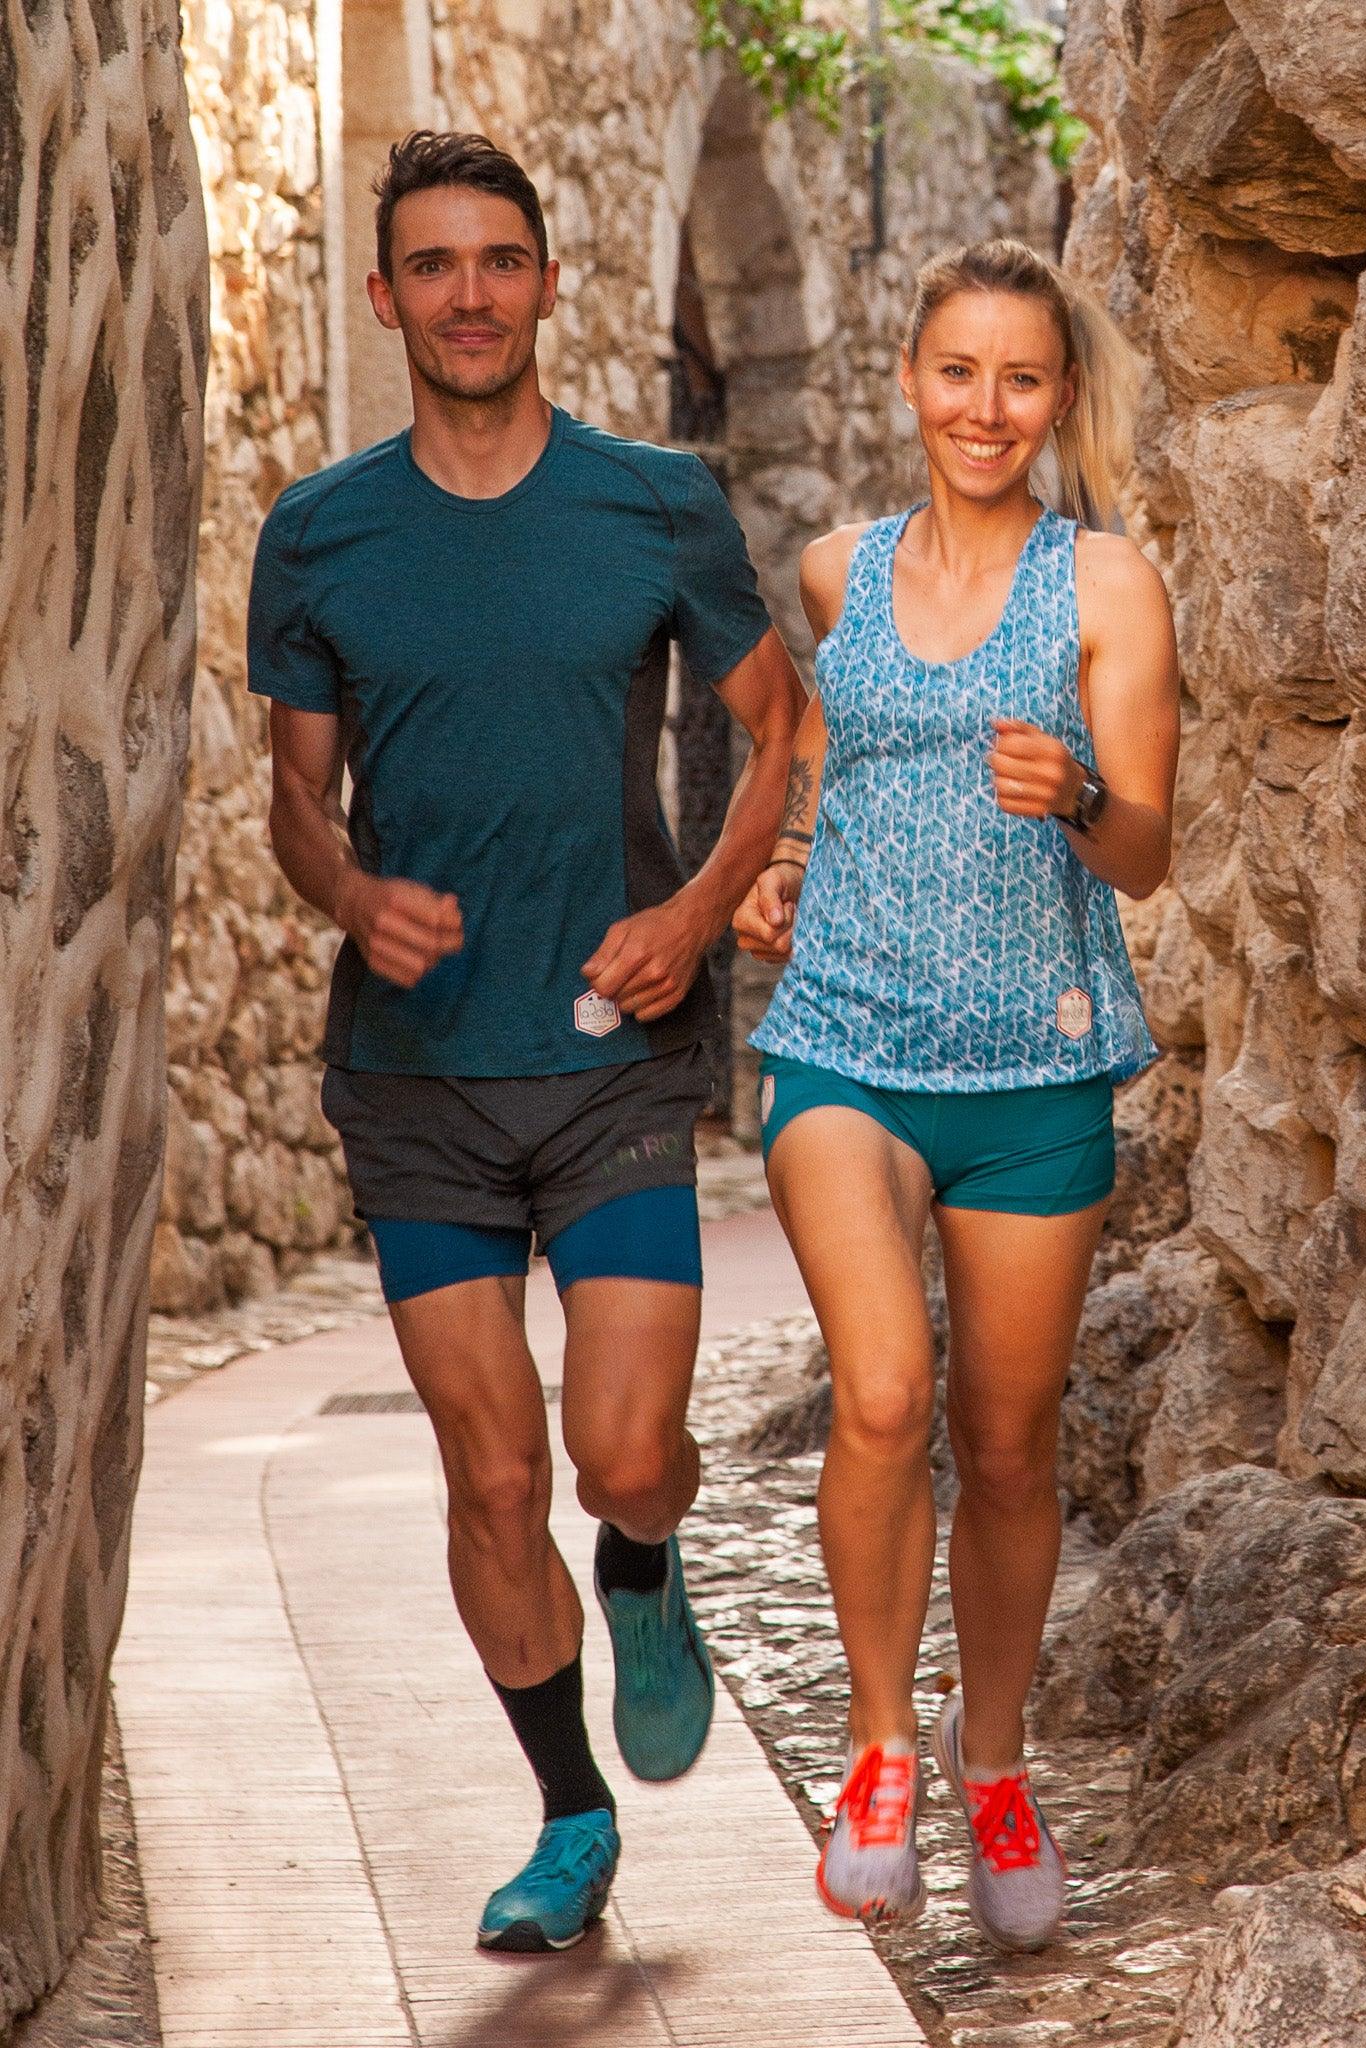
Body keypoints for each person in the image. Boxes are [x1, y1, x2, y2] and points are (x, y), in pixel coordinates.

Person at [248, 129, 804, 1954]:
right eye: (432, 263)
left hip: (614, 1056)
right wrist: (349, 897)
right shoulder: (319, 535)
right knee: (490, 1472)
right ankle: (569, 1818)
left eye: (501, 258)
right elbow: (297, 805)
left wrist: (703, 910)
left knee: (622, 1452)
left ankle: (643, 1570)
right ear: (389, 292)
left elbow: (772, 729)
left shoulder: (656, 505)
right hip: (414, 1077)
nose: (469, 293)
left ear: (549, 281)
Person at [733, 239, 1179, 1950]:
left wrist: (1076, 791)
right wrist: (779, 863)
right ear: (909, 382)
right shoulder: (836, 568)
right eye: (955, 372)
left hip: (1040, 1057)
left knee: (1005, 1443)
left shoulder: (1109, 591)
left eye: (1020, 378)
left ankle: (995, 1763)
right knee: (885, 1393)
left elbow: (1146, 852)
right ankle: (878, 1750)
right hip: (843, 1038)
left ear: (1058, 397)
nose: (984, 408)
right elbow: (842, 761)